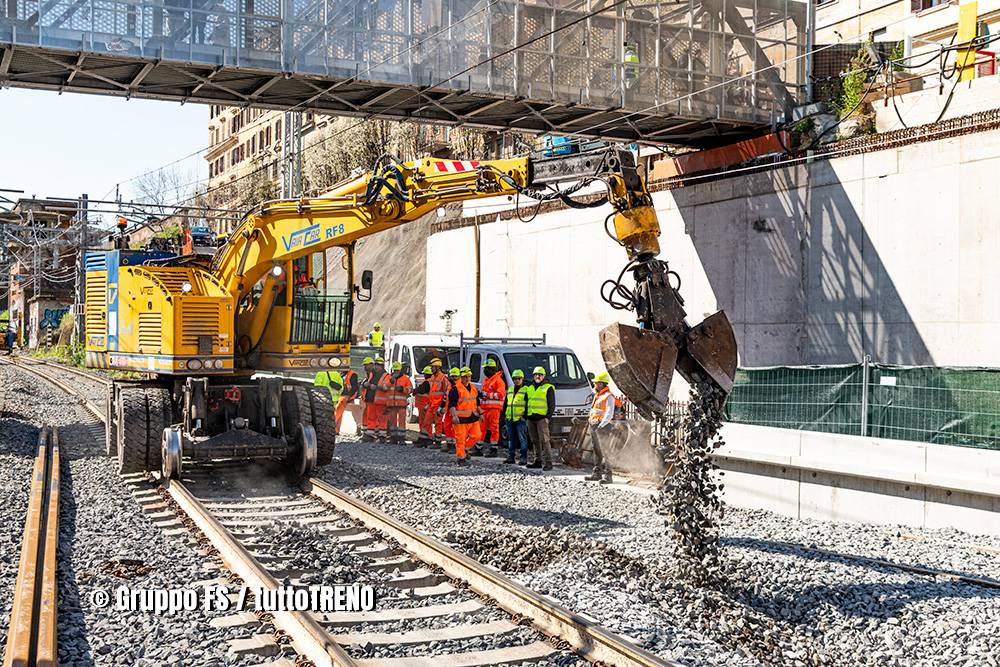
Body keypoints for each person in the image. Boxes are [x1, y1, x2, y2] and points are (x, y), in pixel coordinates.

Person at [585, 372, 616, 483]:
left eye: (597, 383)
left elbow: (609, 413)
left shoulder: (608, 396)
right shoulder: (598, 395)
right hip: (594, 424)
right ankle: (597, 473)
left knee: (605, 451)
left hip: (602, 426)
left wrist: (602, 425)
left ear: (602, 384)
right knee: (597, 450)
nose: (595, 385)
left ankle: (608, 476)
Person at [448, 366, 481, 465]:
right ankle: (461, 458)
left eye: (469, 376)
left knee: (477, 435)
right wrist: (454, 416)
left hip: (472, 417)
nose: (467, 378)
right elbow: (452, 405)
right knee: (460, 439)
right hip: (460, 419)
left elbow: (477, 402)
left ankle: (465, 449)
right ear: (461, 377)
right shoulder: (455, 389)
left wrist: (481, 413)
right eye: (465, 376)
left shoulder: (473, 388)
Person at [524, 366, 555, 470]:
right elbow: (526, 402)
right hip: (531, 418)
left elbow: (552, 404)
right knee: (534, 440)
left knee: (545, 440)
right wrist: (526, 416)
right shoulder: (530, 388)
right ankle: (537, 461)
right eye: (536, 374)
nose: (538, 376)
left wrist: (548, 417)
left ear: (544, 376)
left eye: (540, 375)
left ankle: (549, 462)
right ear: (533, 376)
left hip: (542, 418)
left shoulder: (548, 387)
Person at [474, 358, 505, 457]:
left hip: (494, 409)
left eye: (486, 369)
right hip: (485, 409)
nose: (485, 371)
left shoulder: (498, 380)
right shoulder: (487, 380)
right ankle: (478, 449)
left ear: (492, 369)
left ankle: (493, 450)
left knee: (494, 429)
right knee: (481, 428)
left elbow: (500, 395)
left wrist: (486, 394)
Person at [502, 369, 529, 465]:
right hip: (510, 418)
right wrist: (505, 414)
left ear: (522, 379)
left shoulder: (526, 390)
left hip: (520, 419)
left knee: (522, 439)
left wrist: (525, 416)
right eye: (515, 379)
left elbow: (528, 405)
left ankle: (523, 458)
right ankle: (511, 457)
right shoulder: (510, 390)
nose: (516, 380)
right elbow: (506, 404)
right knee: (511, 439)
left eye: (519, 378)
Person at [383, 361, 413, 443]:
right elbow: (384, 387)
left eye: (397, 370)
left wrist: (403, 389)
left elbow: (410, 389)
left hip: (401, 404)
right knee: (393, 422)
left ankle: (401, 438)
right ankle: (393, 438)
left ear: (400, 370)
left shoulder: (405, 379)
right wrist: (390, 382)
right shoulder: (389, 378)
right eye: (395, 370)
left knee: (402, 423)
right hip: (392, 405)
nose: (396, 372)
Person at [427, 358, 450, 448]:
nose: (431, 369)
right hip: (432, 404)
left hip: (438, 405)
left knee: (438, 424)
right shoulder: (432, 377)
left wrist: (442, 406)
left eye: (433, 367)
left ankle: (437, 442)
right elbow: (432, 392)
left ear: (438, 367)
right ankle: (427, 439)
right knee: (426, 422)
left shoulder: (443, 378)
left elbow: (447, 393)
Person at [336, 365, 361, 434]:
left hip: (349, 395)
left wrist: (349, 397)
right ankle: (336, 430)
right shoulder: (341, 374)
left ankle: (333, 422)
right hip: (343, 394)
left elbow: (354, 388)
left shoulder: (353, 374)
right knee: (340, 411)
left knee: (340, 405)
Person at [441, 366, 460, 452]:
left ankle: (455, 446)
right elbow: (445, 397)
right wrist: (441, 407)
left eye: (456, 376)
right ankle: (449, 444)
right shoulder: (449, 385)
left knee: (454, 429)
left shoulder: (460, 386)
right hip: (448, 410)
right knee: (447, 427)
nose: (454, 378)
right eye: (453, 376)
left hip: (455, 410)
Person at [413, 365, 433, 446]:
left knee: (424, 423)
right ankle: (425, 438)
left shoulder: (427, 382)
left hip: (424, 405)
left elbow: (420, 390)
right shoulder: (432, 382)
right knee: (426, 423)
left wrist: (414, 391)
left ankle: (425, 439)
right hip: (425, 405)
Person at [359, 357, 379, 439]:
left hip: (373, 398)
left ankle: (371, 433)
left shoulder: (375, 374)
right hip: (368, 398)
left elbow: (373, 385)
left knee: (372, 416)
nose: (364, 367)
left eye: (366, 365)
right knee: (367, 415)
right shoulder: (369, 374)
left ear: (371, 365)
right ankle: (366, 432)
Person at [372, 356, 390, 441]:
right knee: (380, 419)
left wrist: (376, 387)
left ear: (381, 366)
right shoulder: (378, 375)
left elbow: (386, 387)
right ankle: (380, 434)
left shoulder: (386, 376)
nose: (375, 367)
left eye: (377, 365)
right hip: (379, 402)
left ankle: (382, 436)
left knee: (383, 419)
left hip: (384, 402)